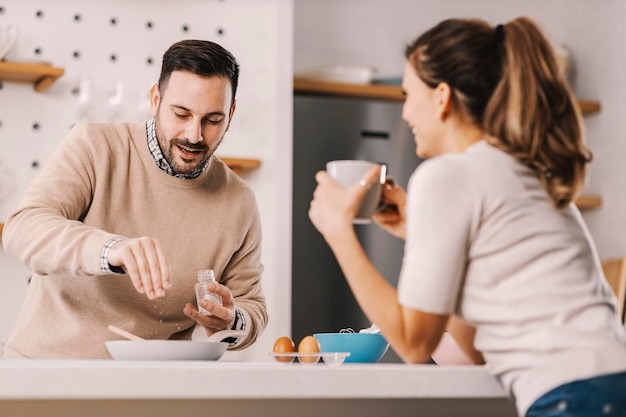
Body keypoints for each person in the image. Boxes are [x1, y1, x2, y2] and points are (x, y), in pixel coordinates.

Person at [308, 17, 626, 417]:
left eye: (408, 94)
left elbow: (413, 343)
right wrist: (420, 234)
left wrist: (338, 230)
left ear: (442, 96)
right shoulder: (526, 171)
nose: (405, 112)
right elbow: (476, 350)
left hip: (577, 396)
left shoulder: (447, 175)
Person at [2, 39, 267, 359]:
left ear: (231, 113)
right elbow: (23, 229)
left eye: (213, 120)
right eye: (181, 114)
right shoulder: (94, 145)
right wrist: (111, 249)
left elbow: (252, 305)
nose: (194, 135)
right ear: (155, 99)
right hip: (46, 373)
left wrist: (232, 319)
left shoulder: (239, 201)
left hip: (151, 390)